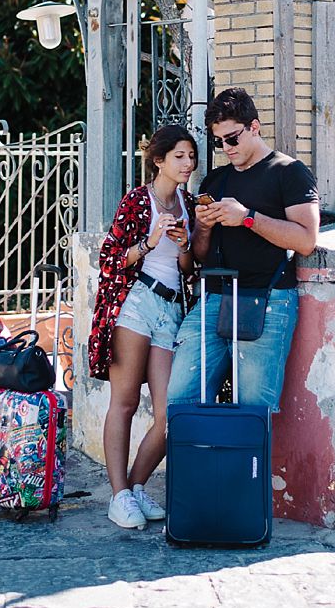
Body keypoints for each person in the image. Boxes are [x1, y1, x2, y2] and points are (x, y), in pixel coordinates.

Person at [167, 88, 320, 417]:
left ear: (255, 127)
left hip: (265, 299)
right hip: (213, 298)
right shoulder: (215, 181)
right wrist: (203, 227)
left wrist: (248, 217)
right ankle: (200, 469)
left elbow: (306, 239)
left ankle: (248, 470)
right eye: (219, 141)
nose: (226, 148)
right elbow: (200, 254)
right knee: (180, 401)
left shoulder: (288, 172)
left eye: (232, 138)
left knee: (253, 411)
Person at [87, 123, 197, 530]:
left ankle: (135, 487)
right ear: (159, 160)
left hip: (171, 310)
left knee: (171, 414)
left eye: (191, 156)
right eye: (180, 156)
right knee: (126, 401)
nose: (188, 164)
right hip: (136, 304)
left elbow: (186, 269)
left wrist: (184, 245)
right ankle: (118, 496)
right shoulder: (137, 201)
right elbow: (111, 257)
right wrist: (150, 242)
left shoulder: (188, 204)